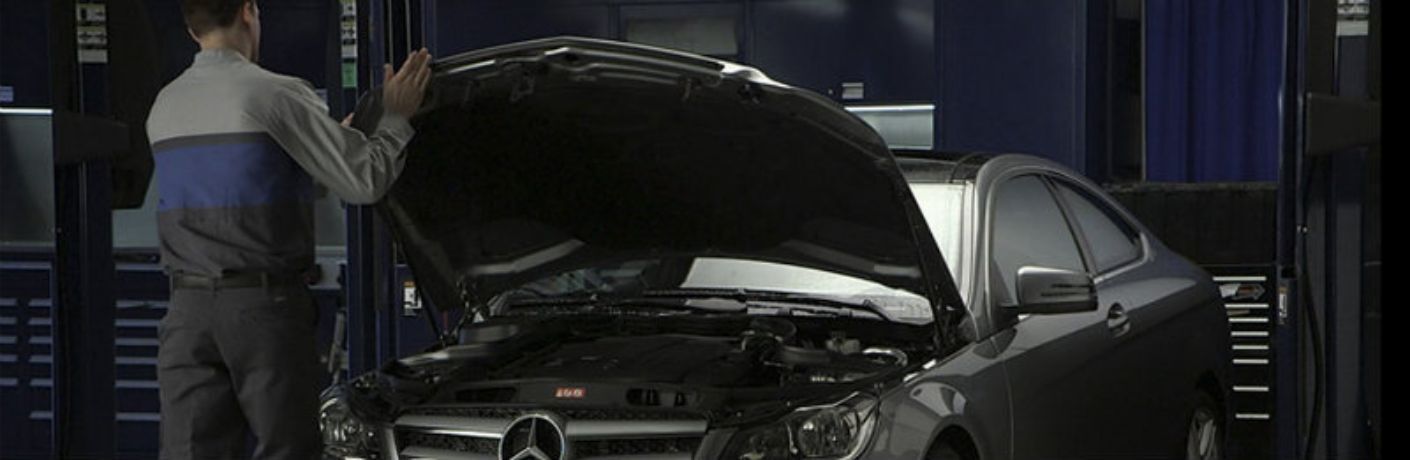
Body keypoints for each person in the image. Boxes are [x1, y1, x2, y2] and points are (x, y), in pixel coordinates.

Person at [144, 0, 431, 457]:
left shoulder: (165, 104)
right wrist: (396, 117)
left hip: (186, 314)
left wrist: (318, 147)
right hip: (262, 312)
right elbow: (364, 181)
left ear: (190, 29)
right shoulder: (275, 93)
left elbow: (239, 180)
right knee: (289, 449)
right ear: (248, 11)